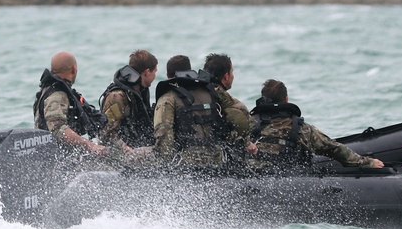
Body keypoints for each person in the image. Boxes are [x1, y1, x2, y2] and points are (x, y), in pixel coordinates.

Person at [249, 79, 384, 172]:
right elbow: (333, 148)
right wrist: (368, 163)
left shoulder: (247, 124)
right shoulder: (301, 129)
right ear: (286, 100)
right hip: (286, 183)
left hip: (249, 178)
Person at [153, 53, 256, 171]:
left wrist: (166, 168)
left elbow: (163, 132)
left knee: (134, 155)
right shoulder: (213, 93)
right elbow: (241, 117)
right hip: (216, 158)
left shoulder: (168, 98)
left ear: (167, 75)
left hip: (185, 161)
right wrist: (247, 142)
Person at [33, 51, 106, 156]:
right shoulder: (58, 94)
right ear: (74, 69)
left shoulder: (50, 90)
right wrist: (90, 145)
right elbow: (57, 129)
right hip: (57, 158)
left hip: (59, 155)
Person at [99, 49, 158, 153]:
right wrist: (127, 150)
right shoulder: (117, 96)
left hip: (134, 149)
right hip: (117, 154)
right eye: (155, 71)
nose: (155, 75)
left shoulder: (140, 91)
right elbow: (106, 134)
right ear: (147, 72)